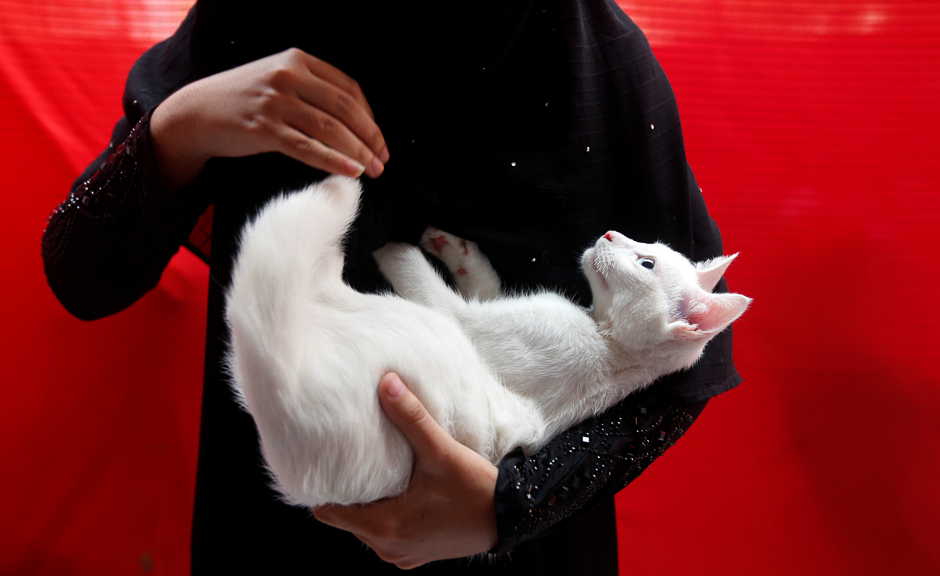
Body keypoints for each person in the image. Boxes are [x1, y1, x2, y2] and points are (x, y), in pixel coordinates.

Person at [42, 1, 741, 573]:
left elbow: (686, 361)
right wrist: (185, 124)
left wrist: (514, 505)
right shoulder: (253, 19)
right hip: (283, 527)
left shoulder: (596, 60)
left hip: (511, 552)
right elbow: (82, 272)